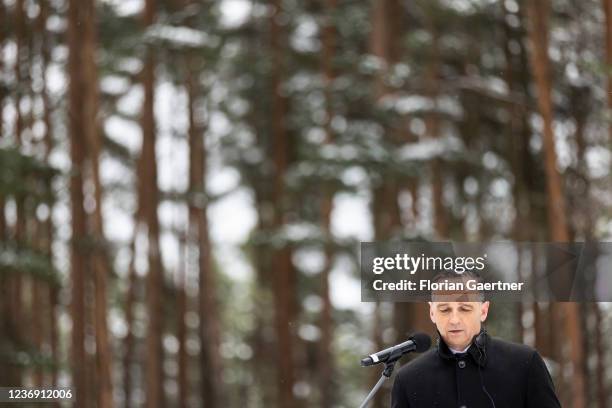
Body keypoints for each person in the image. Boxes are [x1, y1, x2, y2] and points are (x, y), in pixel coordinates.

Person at [391, 271, 561, 408]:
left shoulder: (525, 363)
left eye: (465, 309)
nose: (454, 320)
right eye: (445, 310)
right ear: (432, 313)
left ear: (483, 310)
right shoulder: (408, 379)